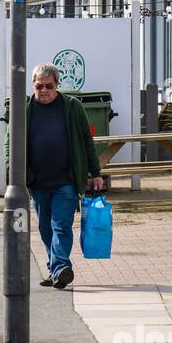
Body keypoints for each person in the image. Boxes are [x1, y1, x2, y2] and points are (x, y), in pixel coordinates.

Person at [26, 62, 103, 289]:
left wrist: (95, 173)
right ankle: (55, 269)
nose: (44, 91)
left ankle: (60, 267)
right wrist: (13, 171)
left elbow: (87, 142)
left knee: (61, 226)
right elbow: (11, 143)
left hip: (66, 182)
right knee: (45, 229)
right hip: (38, 183)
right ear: (33, 85)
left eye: (48, 86)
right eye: (39, 86)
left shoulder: (72, 107)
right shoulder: (25, 109)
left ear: (57, 85)